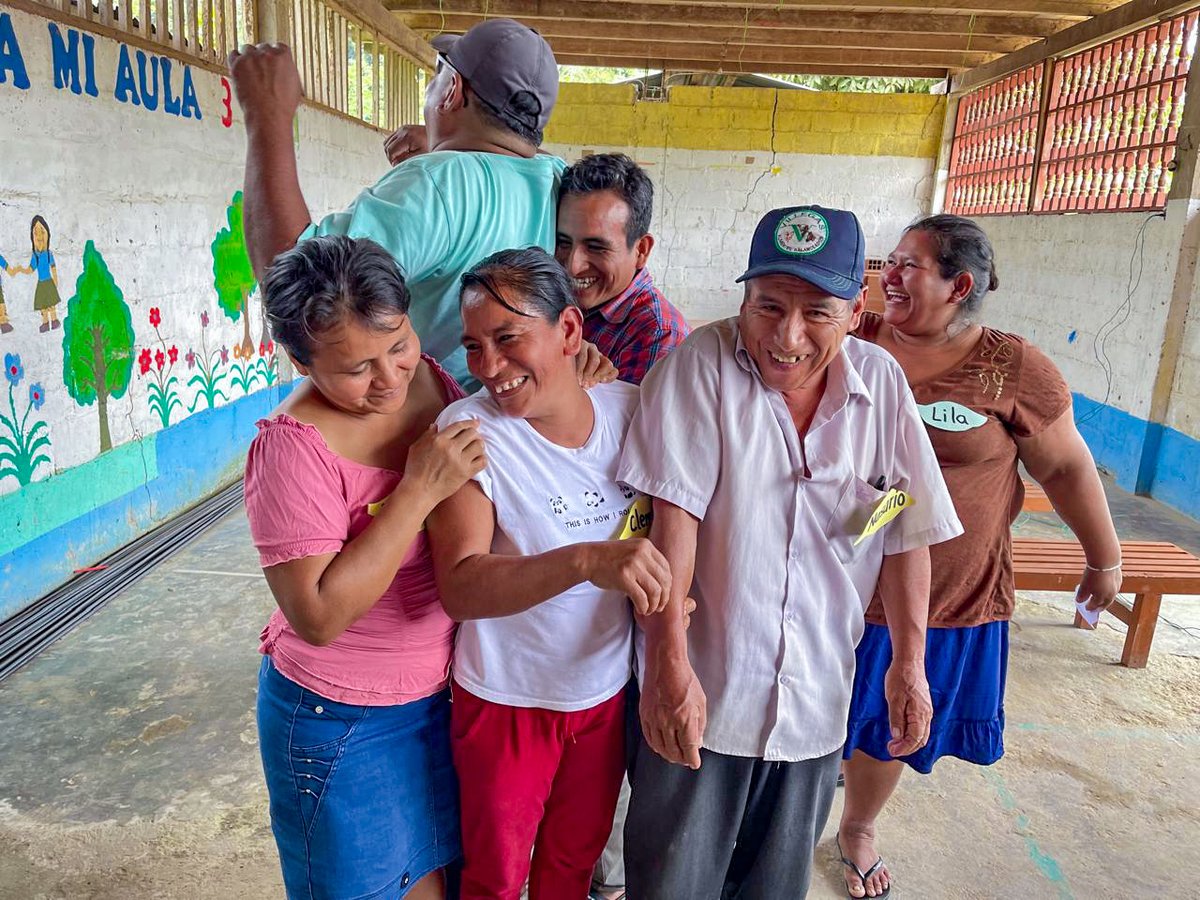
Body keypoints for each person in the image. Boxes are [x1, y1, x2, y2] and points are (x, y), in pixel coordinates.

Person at [616, 205, 964, 900]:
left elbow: (905, 530)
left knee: (776, 889)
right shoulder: (698, 370)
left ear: (857, 310)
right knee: (671, 884)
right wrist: (668, 668)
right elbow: (671, 529)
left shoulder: (882, 388)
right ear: (742, 299)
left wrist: (909, 665)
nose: (788, 335)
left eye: (817, 313)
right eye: (767, 306)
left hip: (815, 703)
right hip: (706, 694)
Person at [837, 214, 1122, 899]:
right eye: (890, 262)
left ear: (959, 285)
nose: (889, 276)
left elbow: (1068, 470)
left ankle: (856, 826)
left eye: (908, 265)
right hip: (834, 573)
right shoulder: (853, 336)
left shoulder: (1012, 366)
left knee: (889, 722)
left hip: (945, 591)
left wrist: (1103, 560)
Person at [243, 235, 484, 899]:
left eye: (398, 345)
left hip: (439, 699)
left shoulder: (432, 379)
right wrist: (415, 490)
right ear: (300, 359)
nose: (389, 378)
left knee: (439, 883)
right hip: (337, 720)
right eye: (356, 369)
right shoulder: (293, 448)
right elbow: (317, 615)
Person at [427, 247, 671, 900]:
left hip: (600, 695)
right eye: (474, 347)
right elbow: (461, 586)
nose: (489, 368)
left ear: (568, 331)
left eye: (508, 339)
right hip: (507, 701)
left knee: (572, 864)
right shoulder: (470, 432)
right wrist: (588, 561)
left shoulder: (630, 410)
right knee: (496, 878)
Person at [228, 18, 566, 388]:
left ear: (452, 91)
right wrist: (450, 143)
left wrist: (267, 117)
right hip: (498, 417)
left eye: (437, 77)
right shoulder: (555, 176)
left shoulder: (437, 183)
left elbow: (293, 285)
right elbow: (515, 155)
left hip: (419, 423)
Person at [556, 152, 690, 385]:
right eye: (563, 242)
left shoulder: (659, 335)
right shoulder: (556, 299)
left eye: (596, 247)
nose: (573, 266)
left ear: (641, 251)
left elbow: (627, 421)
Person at [10, 216, 61, 332]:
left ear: (47, 234)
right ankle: (45, 323)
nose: (39, 236)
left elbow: (53, 268)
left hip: (49, 282)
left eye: (41, 231)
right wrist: (20, 269)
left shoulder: (48, 254)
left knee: (51, 305)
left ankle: (54, 321)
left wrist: (56, 281)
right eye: (36, 232)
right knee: (43, 306)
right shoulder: (35, 256)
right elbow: (31, 269)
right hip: (41, 283)